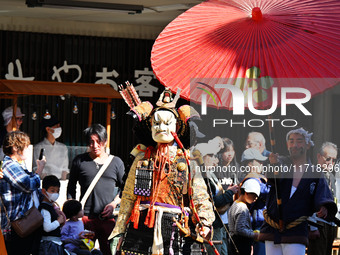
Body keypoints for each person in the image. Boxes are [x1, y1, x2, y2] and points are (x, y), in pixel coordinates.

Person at [109, 106, 215, 255]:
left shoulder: (187, 161)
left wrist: (205, 222)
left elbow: (200, 196)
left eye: (167, 123)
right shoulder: (142, 158)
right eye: (156, 123)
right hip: (141, 224)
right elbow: (128, 196)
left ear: (177, 127)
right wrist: (119, 229)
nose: (161, 128)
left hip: (176, 225)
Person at [260, 128, 337, 255]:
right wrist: (274, 165)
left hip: (296, 230)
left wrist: (323, 206)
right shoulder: (280, 163)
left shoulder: (315, 172)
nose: (295, 145)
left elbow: (323, 195)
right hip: (272, 228)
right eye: (291, 141)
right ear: (287, 144)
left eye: (299, 141)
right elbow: (273, 180)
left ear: (307, 145)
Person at [67, 123, 125, 255]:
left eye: (99, 141)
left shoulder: (116, 162)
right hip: (85, 219)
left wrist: (113, 204)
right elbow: (71, 187)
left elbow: (125, 189)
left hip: (108, 219)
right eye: (91, 142)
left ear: (105, 141)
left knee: (109, 252)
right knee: (83, 252)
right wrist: (72, 212)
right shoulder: (79, 161)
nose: (95, 146)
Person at [0, 131, 45, 255]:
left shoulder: (19, 165)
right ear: (15, 147)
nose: (28, 149)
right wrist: (39, 170)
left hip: (27, 221)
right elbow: (28, 185)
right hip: (16, 225)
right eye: (25, 146)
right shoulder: (9, 165)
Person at [307, 142, 338, 255]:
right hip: (318, 224)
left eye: (334, 160)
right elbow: (307, 201)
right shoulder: (312, 173)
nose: (331, 163)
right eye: (328, 158)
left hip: (330, 225)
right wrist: (313, 227)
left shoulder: (332, 177)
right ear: (319, 157)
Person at [240, 148, 270, 255]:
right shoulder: (251, 180)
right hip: (258, 226)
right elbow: (267, 193)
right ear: (249, 164)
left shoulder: (257, 178)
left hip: (262, 225)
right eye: (259, 161)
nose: (262, 164)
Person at [228, 178, 261, 255]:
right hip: (241, 244)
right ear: (246, 193)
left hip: (233, 242)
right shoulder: (242, 208)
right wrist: (254, 234)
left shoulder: (235, 204)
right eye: (254, 195)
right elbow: (240, 229)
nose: (255, 199)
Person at [33, 115, 69, 180]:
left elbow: (65, 169)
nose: (59, 128)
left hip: (60, 181)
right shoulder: (38, 148)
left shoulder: (63, 147)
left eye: (59, 126)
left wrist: (63, 183)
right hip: (44, 181)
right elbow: (38, 168)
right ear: (48, 129)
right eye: (56, 126)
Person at [39, 175, 66, 254]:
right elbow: (47, 227)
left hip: (54, 244)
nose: (56, 194)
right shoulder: (45, 208)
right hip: (49, 245)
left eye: (57, 191)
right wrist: (58, 221)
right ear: (44, 191)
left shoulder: (51, 206)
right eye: (52, 191)